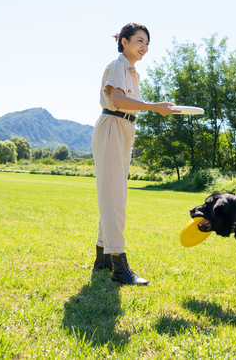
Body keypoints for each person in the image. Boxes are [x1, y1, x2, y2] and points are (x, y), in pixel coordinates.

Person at [91, 23, 177, 285]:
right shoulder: (117, 66)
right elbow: (117, 100)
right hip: (112, 127)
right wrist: (154, 106)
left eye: (147, 43)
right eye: (140, 41)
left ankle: (103, 259)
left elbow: (128, 105)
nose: (144, 47)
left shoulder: (132, 72)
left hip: (124, 129)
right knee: (113, 198)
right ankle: (119, 267)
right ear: (124, 41)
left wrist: (154, 107)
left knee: (115, 195)